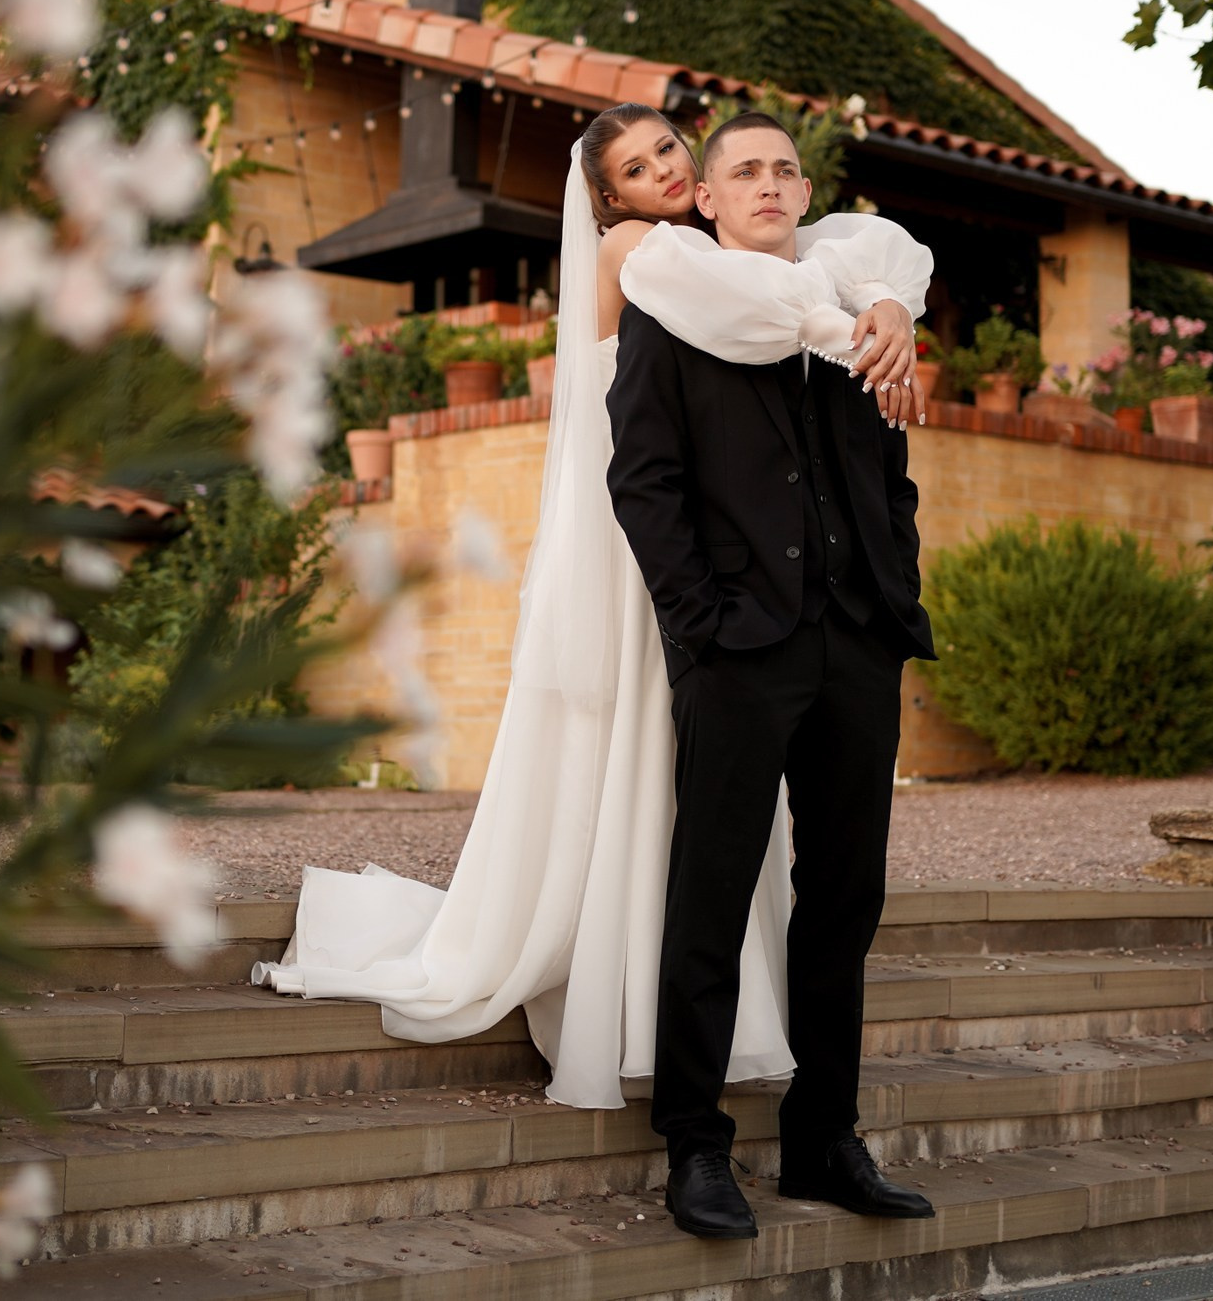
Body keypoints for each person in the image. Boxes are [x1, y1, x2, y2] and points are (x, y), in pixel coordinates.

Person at [254, 103, 932, 1116]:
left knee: (799, 869)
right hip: (697, 599)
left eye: (670, 145)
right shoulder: (650, 262)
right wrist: (698, 625)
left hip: (828, 625)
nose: (665, 166)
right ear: (624, 197)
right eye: (650, 163)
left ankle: (819, 1126)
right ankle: (674, 1094)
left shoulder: (783, 265)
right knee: (680, 842)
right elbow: (661, 460)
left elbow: (877, 429)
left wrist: (889, 310)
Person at [607, 111, 937, 1239]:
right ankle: (696, 1148)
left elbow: (886, 471)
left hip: (857, 642)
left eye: (783, 170)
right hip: (738, 649)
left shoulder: (849, 306)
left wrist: (897, 594)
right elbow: (643, 481)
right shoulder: (673, 304)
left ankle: (822, 1140)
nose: (766, 184)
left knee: (844, 899)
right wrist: (696, 628)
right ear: (705, 197)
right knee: (711, 892)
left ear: (803, 194)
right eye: (741, 170)